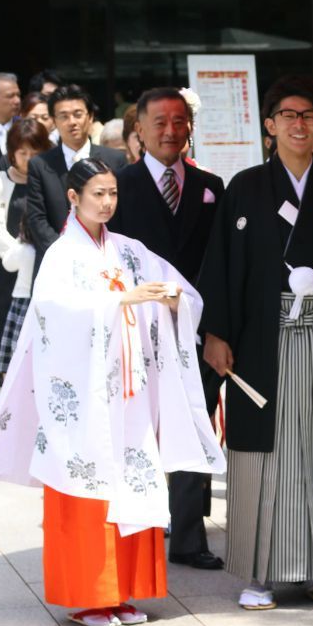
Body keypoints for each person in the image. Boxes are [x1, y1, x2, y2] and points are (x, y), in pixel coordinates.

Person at [0, 157, 225, 626]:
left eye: (113, 193)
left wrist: (170, 301)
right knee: (87, 487)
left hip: (128, 395)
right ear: (73, 198)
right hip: (85, 397)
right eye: (97, 193)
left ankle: (126, 591)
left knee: (133, 482)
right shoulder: (61, 255)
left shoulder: (130, 251)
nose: (107, 202)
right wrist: (119, 301)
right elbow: (53, 311)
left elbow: (181, 292)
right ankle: (89, 595)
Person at [199, 76, 313, 611]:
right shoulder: (246, 187)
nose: (300, 125)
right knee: (264, 453)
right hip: (262, 339)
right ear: (269, 126)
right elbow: (223, 267)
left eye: (309, 117)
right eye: (289, 116)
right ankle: (259, 573)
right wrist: (216, 334)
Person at [107, 88, 227, 573]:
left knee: (193, 422)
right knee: (140, 427)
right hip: (137, 328)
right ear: (139, 128)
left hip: (196, 331)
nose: (170, 131)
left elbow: (222, 263)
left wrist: (216, 326)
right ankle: (137, 521)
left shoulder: (212, 185)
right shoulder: (119, 186)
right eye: (159, 122)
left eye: (179, 121)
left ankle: (189, 536)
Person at [0, 117, 52, 386]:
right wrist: (19, 254)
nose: (30, 158)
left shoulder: (51, 179)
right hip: (9, 268)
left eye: (36, 152)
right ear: (12, 153)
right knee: (4, 323)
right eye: (23, 153)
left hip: (45, 266)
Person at [24, 84, 127, 269]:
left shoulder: (115, 160)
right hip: (56, 264)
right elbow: (37, 219)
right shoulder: (39, 164)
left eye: (78, 114)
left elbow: (123, 214)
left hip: (109, 262)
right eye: (63, 116)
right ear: (54, 122)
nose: (72, 122)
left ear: (90, 117)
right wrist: (65, 255)